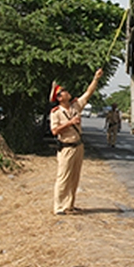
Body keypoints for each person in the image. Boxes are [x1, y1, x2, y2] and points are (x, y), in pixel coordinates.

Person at [50, 68, 104, 215]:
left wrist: (96, 79)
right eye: (64, 92)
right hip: (66, 147)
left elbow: (88, 93)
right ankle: (58, 206)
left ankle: (69, 205)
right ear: (59, 98)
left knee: (75, 177)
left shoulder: (75, 106)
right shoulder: (56, 113)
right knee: (63, 177)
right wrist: (70, 123)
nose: (68, 93)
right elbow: (54, 131)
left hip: (78, 146)